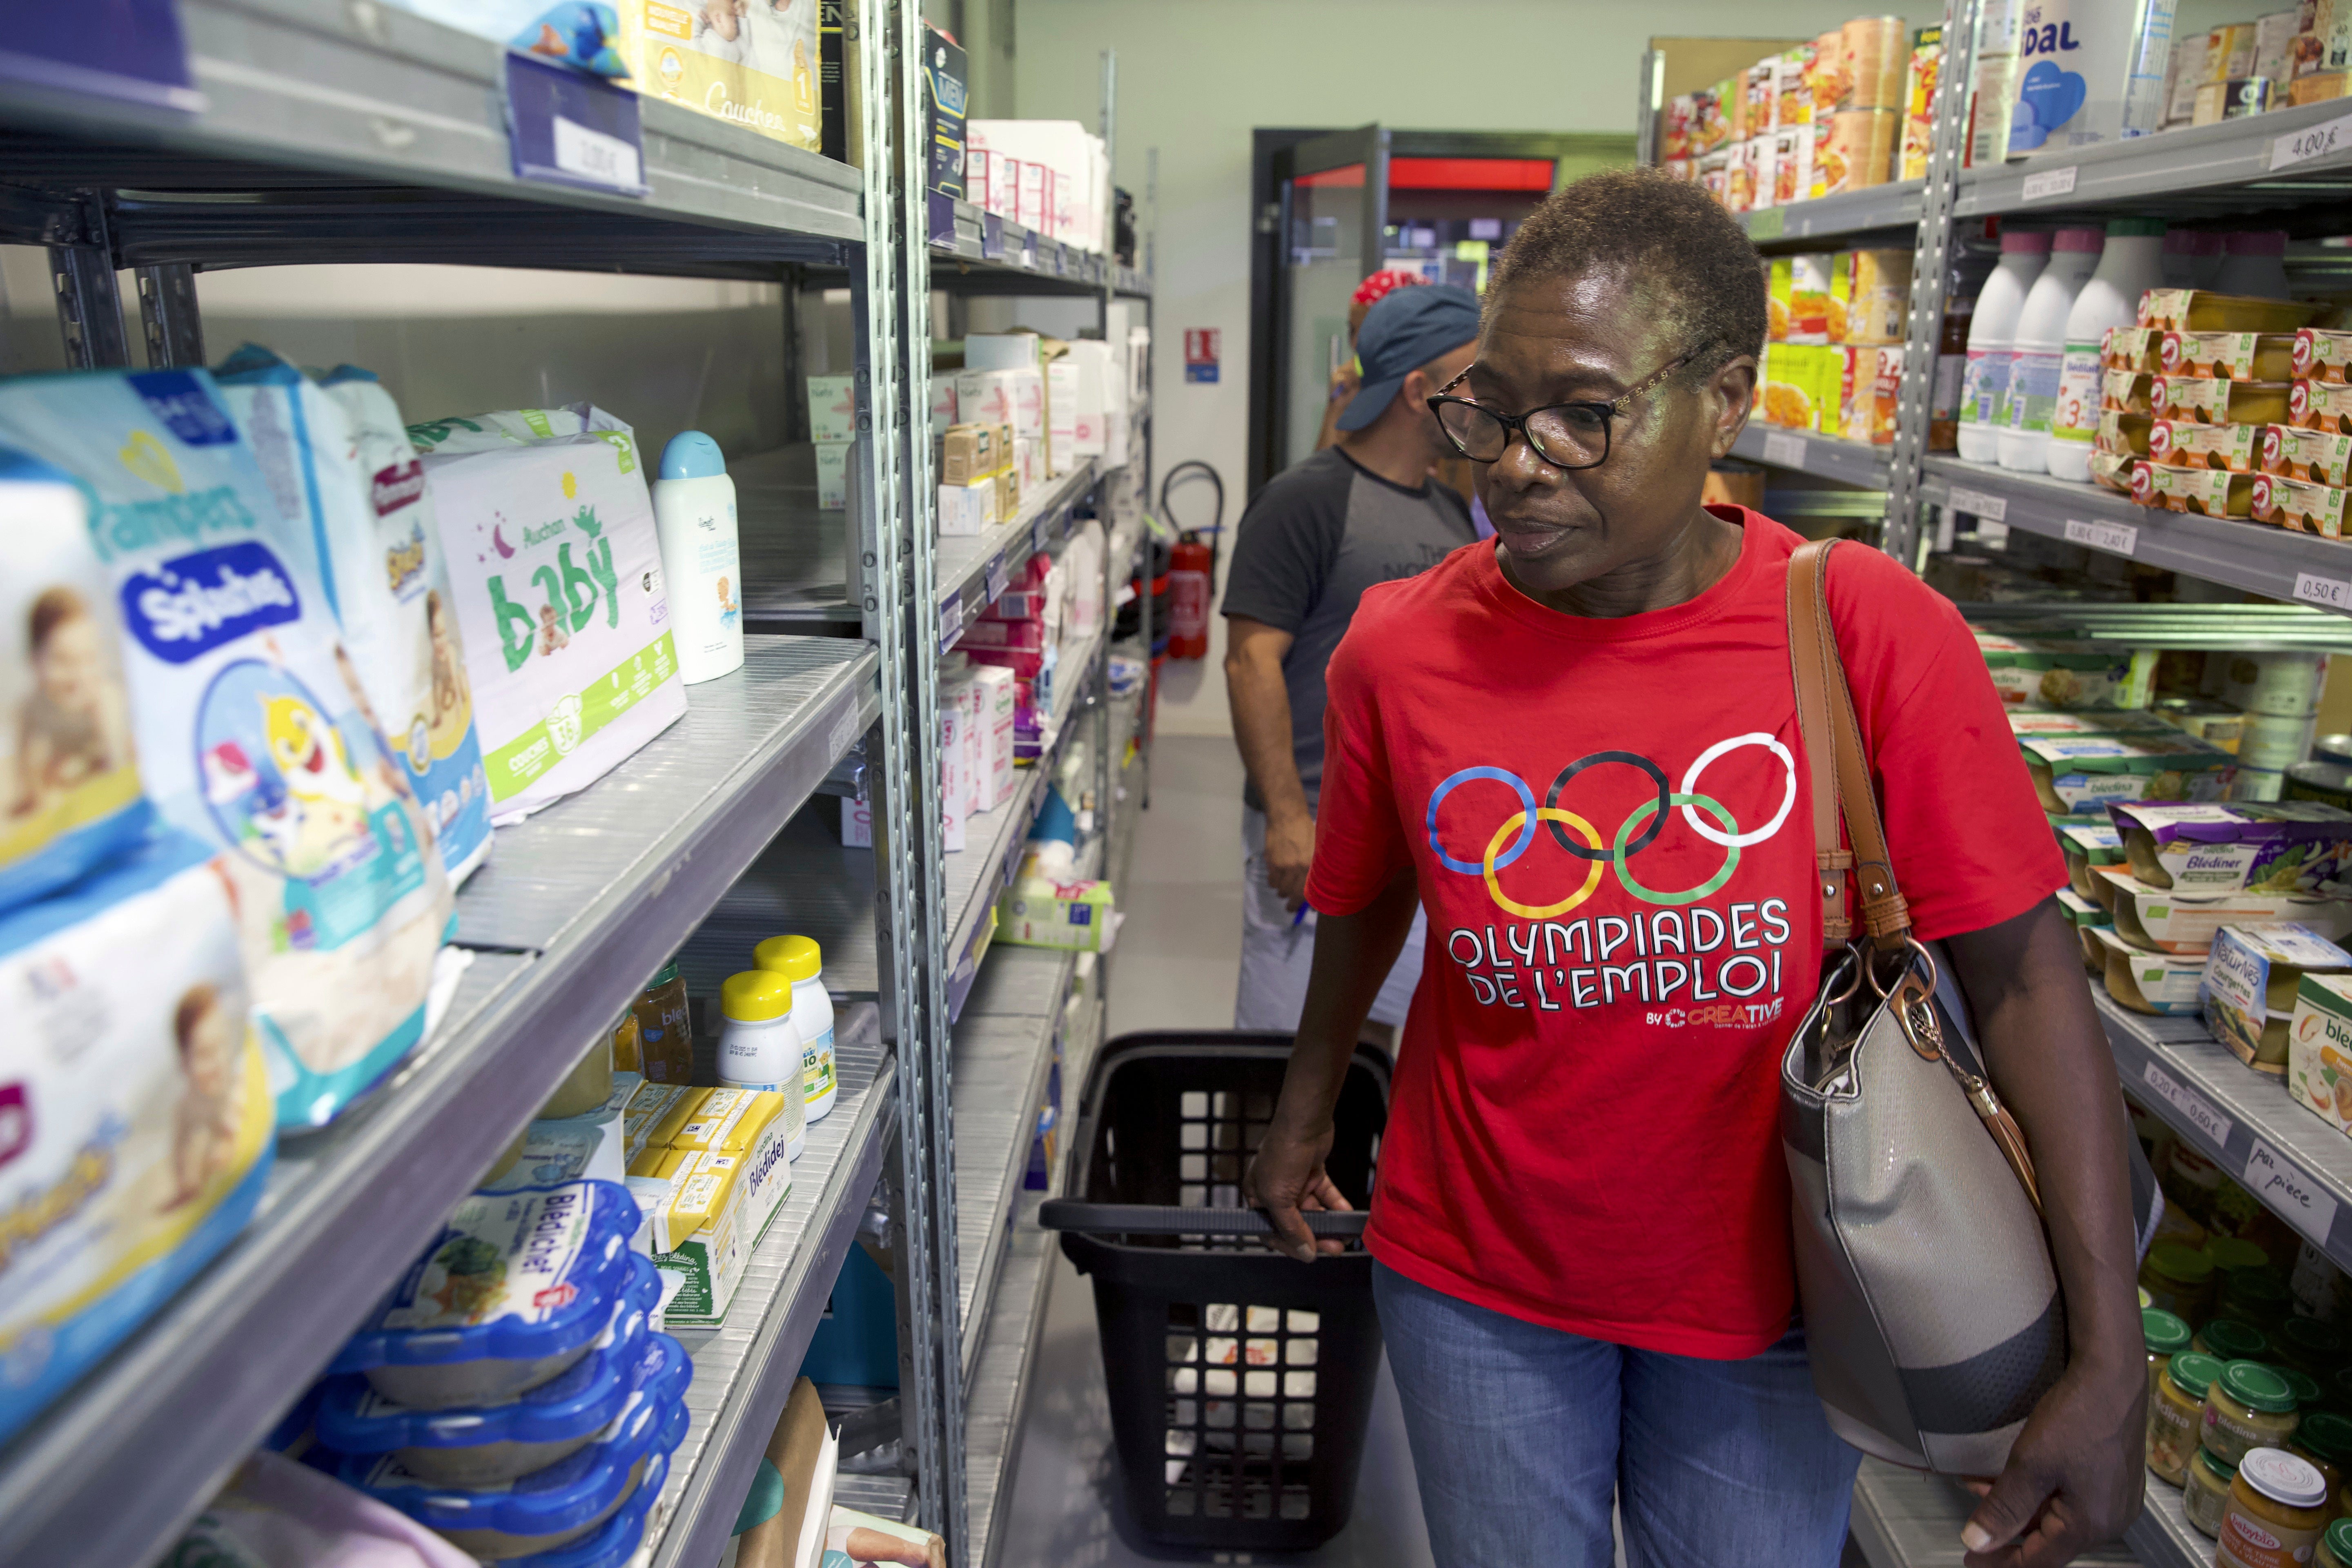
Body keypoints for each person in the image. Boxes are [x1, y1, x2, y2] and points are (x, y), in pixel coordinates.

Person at [1245, 168, 2143, 1567]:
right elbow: (1367, 898)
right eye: (1492, 406)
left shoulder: (1865, 631)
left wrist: (2111, 1353)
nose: (1519, 463)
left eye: (1585, 414)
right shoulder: (1397, 647)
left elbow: (2027, 981)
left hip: (1785, 1296)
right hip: (1480, 1276)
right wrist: (1305, 1112)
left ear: (1727, 397)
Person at [1222, 284, 1481, 1038]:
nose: (1488, 399)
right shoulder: (1306, 500)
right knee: (1281, 1047)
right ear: (1417, 390)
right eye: (1473, 380)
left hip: (1404, 831)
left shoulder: (1445, 509)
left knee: (1371, 1041)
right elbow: (1249, 663)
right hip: (1313, 824)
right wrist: (1288, 818)